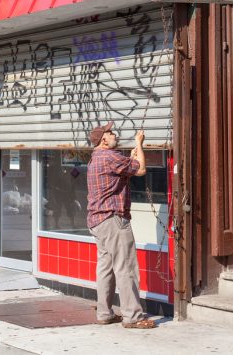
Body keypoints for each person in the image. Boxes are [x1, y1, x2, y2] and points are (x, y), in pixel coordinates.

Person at [86, 122, 156, 329]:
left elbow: (126, 169)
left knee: (105, 268)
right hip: (113, 220)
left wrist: (134, 155)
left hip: (97, 221)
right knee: (126, 268)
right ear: (103, 140)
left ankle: (105, 313)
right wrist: (139, 144)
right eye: (110, 132)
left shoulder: (97, 159)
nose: (114, 134)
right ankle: (132, 317)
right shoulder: (110, 156)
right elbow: (141, 169)